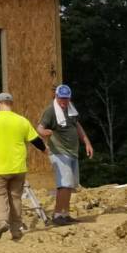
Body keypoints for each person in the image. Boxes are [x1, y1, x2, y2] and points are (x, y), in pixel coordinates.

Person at [0, 92, 48, 241]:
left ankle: (2, 221)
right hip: (18, 169)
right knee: (15, 198)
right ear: (11, 104)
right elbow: (36, 140)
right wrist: (46, 150)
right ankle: (16, 231)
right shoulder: (22, 121)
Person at [36, 83, 93, 226]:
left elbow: (77, 125)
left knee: (69, 185)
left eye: (66, 99)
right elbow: (39, 128)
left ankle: (65, 214)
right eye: (61, 99)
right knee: (64, 185)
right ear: (56, 97)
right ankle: (57, 215)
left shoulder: (70, 109)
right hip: (59, 152)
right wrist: (45, 133)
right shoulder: (50, 111)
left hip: (72, 152)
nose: (63, 102)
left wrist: (86, 142)